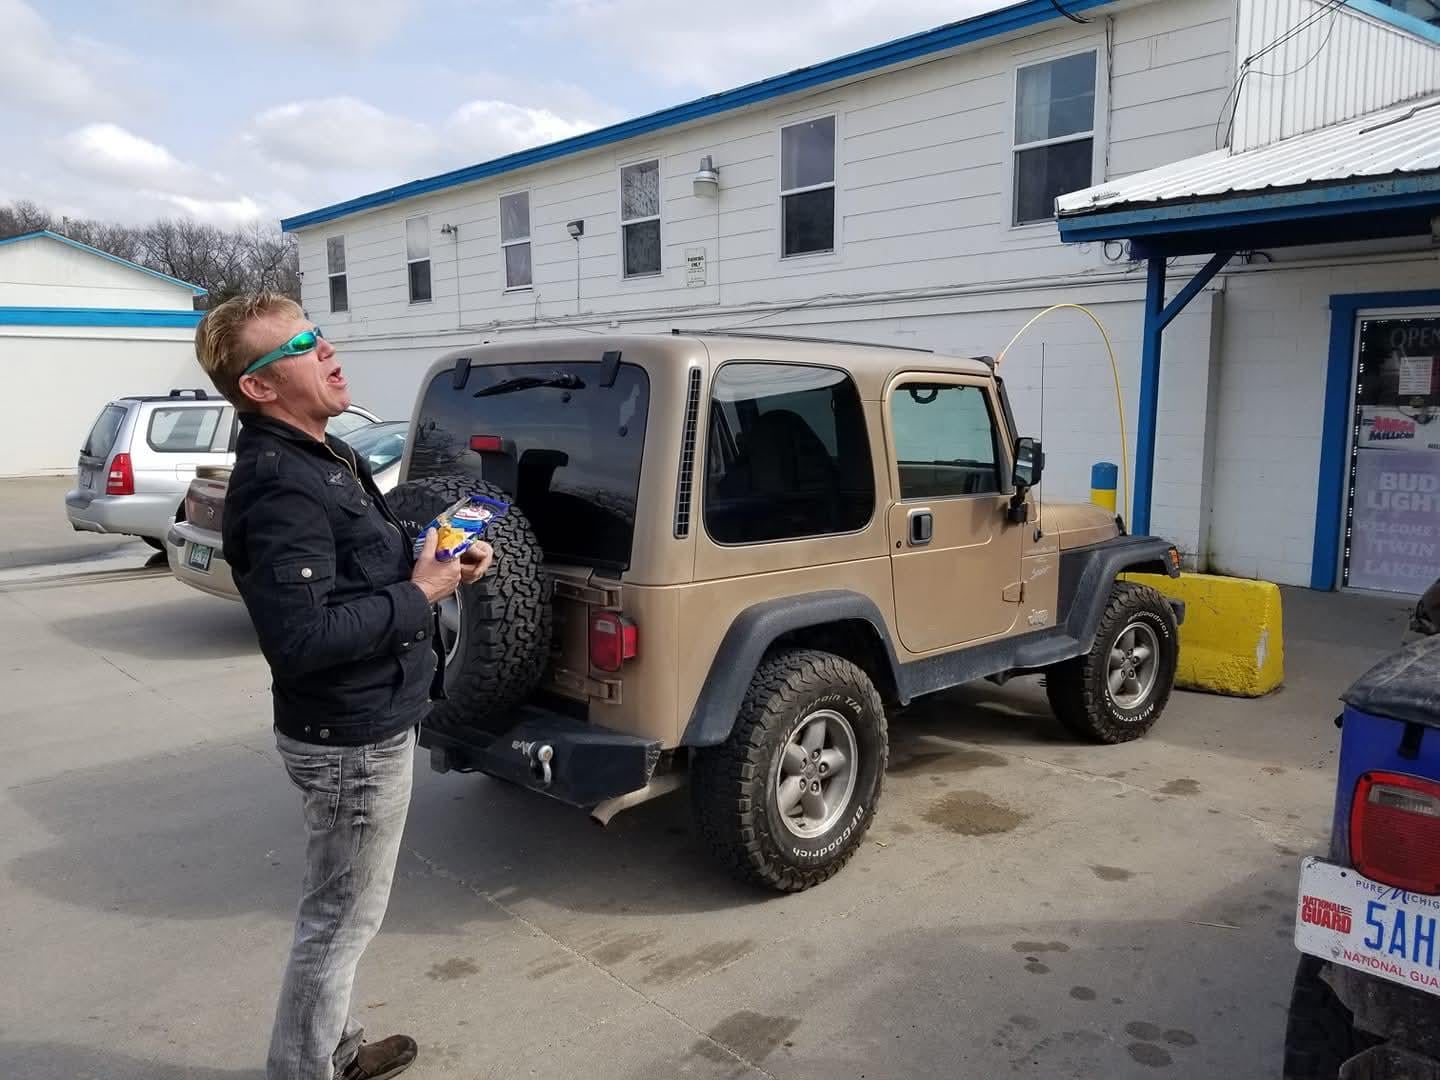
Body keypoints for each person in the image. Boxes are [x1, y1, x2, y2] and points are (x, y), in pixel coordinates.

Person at [194, 291, 492, 1080]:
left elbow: (361, 562)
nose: (326, 349)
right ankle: (307, 1067)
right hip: (349, 742)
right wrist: (424, 594)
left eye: (318, 333)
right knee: (338, 920)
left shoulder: (324, 452)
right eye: (298, 346)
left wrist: (437, 558)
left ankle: (334, 1045)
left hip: (367, 724)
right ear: (258, 388)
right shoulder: (282, 483)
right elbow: (301, 639)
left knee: (343, 911)